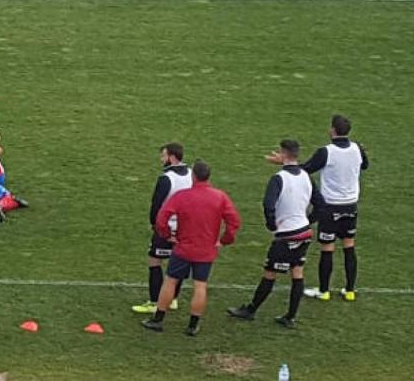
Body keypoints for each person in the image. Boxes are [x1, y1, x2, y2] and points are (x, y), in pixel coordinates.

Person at [228, 139, 322, 328]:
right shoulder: (306, 175)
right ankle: (290, 317)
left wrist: (272, 224)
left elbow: (268, 205)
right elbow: (320, 203)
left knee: (270, 272)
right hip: (304, 233)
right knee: (297, 272)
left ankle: (251, 310)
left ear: (283, 153)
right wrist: (308, 220)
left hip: (287, 234)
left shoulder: (278, 178)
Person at [141, 161, 241, 336]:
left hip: (183, 248)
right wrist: (224, 240)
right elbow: (234, 222)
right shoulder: (220, 196)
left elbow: (161, 218)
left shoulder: (182, 196)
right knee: (200, 286)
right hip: (206, 250)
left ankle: (158, 320)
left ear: (193, 176)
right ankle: (193, 325)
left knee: (170, 281)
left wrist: (166, 235)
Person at [293, 114, 368, 302]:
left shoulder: (326, 151)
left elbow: (306, 169)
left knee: (327, 248)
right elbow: (365, 165)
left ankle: (324, 290)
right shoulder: (357, 148)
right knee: (349, 245)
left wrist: (286, 163)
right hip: (351, 204)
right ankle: (350, 290)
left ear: (332, 130)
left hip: (331, 206)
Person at [132, 143, 190, 314]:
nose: (161, 159)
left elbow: (157, 204)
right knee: (179, 263)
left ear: (172, 157)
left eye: (163, 156)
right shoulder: (191, 174)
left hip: (166, 228)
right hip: (185, 229)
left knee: (154, 260)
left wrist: (154, 224)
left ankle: (154, 301)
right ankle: (172, 299)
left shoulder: (167, 178)